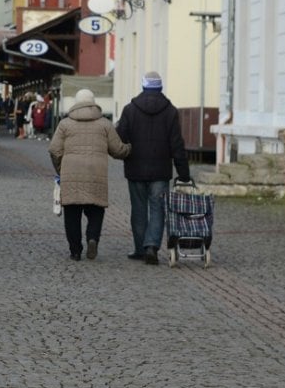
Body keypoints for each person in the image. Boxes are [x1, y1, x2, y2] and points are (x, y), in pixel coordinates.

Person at [115, 71, 191, 265]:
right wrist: (184, 173)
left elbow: (120, 137)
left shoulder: (129, 110)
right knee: (158, 209)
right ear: (160, 87)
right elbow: (177, 144)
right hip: (160, 170)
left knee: (138, 209)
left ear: (143, 86)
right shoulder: (170, 111)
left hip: (135, 168)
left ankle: (140, 249)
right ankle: (151, 246)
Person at [49, 91, 130, 260]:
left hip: (71, 175)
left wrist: (61, 169)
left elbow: (54, 150)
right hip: (96, 174)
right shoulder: (105, 124)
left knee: (72, 214)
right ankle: (92, 238)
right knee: (96, 210)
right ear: (93, 103)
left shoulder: (64, 124)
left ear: (76, 103)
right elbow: (117, 150)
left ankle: (75, 250)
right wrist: (130, 148)